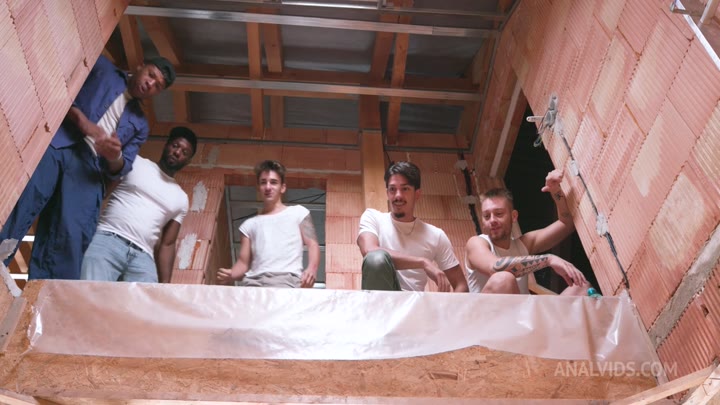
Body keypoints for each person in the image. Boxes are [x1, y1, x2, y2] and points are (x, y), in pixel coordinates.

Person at [0, 54, 176, 280]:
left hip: (90, 170)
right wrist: (82, 121)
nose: (150, 84)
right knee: (25, 199)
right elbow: (61, 90)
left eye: (158, 86)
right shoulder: (102, 67)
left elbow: (122, 167)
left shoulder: (141, 124)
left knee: (72, 235)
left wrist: (114, 156)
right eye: (151, 75)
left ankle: (44, 294)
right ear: (140, 66)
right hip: (61, 141)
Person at [80, 127, 197, 283]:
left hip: (143, 256)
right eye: (175, 146)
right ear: (166, 145)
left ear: (187, 161)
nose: (177, 152)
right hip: (108, 238)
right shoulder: (135, 162)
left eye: (184, 152)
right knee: (90, 293)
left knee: (147, 298)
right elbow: (102, 192)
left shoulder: (181, 198)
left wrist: (166, 287)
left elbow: (168, 244)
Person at [464, 169, 589, 295]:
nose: (492, 220)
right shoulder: (476, 243)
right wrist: (548, 259)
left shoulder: (522, 245)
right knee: (503, 279)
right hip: (489, 308)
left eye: (499, 214)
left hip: (524, 307)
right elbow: (495, 267)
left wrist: (556, 191)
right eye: (486, 216)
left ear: (513, 216)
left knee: (582, 287)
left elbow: (566, 224)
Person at [357, 161, 469, 293]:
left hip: (415, 303)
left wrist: (445, 306)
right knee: (376, 259)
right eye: (392, 189)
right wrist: (422, 262)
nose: (398, 195)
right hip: (382, 300)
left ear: (417, 194)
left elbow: (461, 284)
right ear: (387, 193)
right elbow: (370, 250)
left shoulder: (435, 235)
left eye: (405, 189)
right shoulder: (373, 217)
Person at [217, 160, 320, 288]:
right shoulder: (248, 225)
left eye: (273, 182)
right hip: (253, 283)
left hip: (286, 280)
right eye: (263, 182)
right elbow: (243, 264)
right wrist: (231, 274)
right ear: (258, 187)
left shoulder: (298, 212)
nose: (268, 187)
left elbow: (312, 244)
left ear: (283, 187)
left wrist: (312, 269)